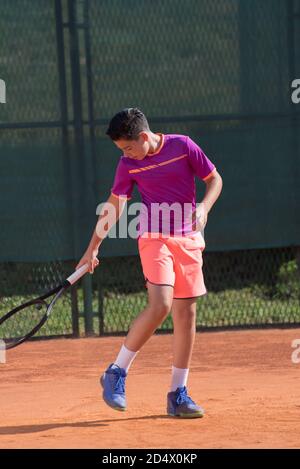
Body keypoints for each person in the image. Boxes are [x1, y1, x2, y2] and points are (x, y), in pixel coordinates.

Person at [76, 108, 223, 418]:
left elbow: (214, 179)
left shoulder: (183, 146)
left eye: (128, 147)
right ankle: (117, 371)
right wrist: (93, 248)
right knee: (161, 305)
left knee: (187, 313)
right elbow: (114, 205)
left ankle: (177, 394)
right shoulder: (128, 164)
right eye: (122, 150)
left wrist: (204, 207)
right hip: (153, 236)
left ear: (144, 137)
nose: (126, 154)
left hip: (188, 238)